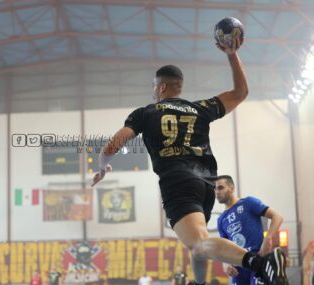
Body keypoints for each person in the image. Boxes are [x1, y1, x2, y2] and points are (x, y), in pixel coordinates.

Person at [91, 36, 289, 285]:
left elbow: (112, 145)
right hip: (206, 184)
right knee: (199, 243)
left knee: (199, 244)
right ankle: (199, 282)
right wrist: (231, 54)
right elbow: (241, 93)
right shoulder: (200, 109)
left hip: (177, 181)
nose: (153, 91)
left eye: (153, 86)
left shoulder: (146, 113)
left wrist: (102, 166)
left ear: (161, 87)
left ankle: (261, 264)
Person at [215, 175, 284, 285]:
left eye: (220, 188)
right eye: (215, 189)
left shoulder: (248, 202)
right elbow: (224, 248)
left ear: (231, 188)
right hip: (238, 269)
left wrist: (268, 238)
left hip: (257, 261)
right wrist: (225, 264)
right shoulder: (220, 220)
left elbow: (277, 217)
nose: (217, 192)